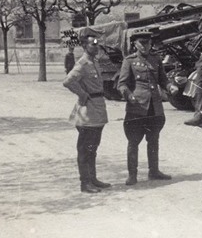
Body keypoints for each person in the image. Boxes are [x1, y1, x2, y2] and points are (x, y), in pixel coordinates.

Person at [117, 30, 179, 186]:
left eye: (148, 43)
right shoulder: (129, 61)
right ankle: (132, 174)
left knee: (153, 140)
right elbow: (122, 84)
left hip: (154, 107)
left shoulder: (156, 59)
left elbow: (163, 80)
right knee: (133, 141)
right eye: (142, 43)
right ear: (135, 44)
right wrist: (128, 95)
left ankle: (154, 171)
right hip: (137, 107)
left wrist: (170, 86)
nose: (145, 46)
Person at [63, 28, 111, 193]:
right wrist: (82, 94)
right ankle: (85, 183)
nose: (96, 47)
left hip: (97, 109)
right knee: (84, 148)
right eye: (92, 45)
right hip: (87, 112)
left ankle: (93, 179)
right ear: (84, 46)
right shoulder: (82, 64)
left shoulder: (94, 62)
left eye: (97, 44)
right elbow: (68, 81)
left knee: (93, 147)